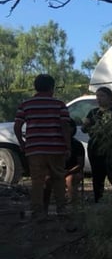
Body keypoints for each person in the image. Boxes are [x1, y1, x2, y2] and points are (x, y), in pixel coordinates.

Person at [13, 74, 72, 218]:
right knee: (58, 178)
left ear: (35, 87)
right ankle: (61, 209)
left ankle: (37, 211)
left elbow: (17, 126)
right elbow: (64, 126)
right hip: (56, 148)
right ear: (52, 87)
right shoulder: (59, 104)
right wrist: (68, 146)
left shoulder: (25, 104)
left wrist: (23, 143)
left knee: (37, 181)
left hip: (34, 149)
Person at [82, 86, 112, 203]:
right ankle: (98, 201)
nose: (99, 98)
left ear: (110, 97)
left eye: (102, 96)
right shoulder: (93, 112)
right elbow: (84, 129)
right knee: (98, 176)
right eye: (97, 96)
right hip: (95, 148)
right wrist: (86, 125)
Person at [45, 119, 85, 208]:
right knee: (47, 179)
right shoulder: (55, 144)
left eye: (69, 128)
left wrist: (68, 172)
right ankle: (44, 207)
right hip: (57, 170)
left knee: (69, 179)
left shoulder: (77, 144)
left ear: (73, 129)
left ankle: (72, 205)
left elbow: (80, 164)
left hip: (72, 171)